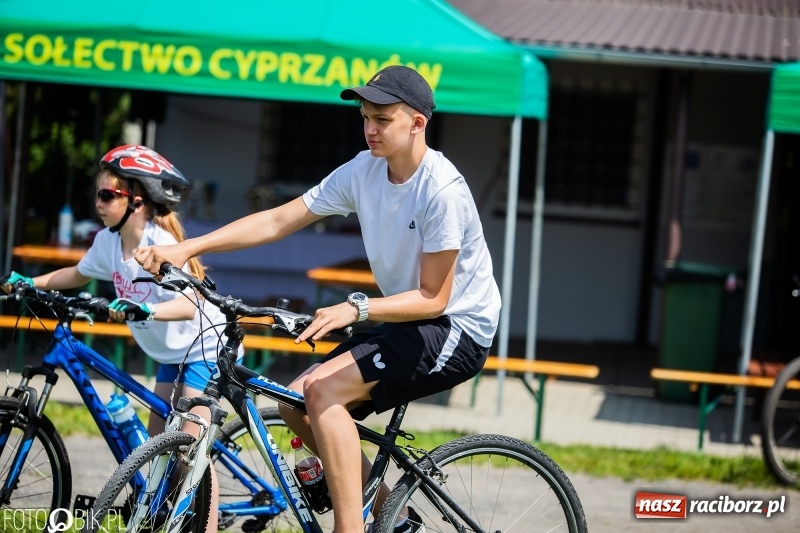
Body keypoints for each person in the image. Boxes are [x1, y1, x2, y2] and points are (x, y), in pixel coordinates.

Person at [134, 65, 501, 533]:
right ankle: (394, 516)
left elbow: (433, 299)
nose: (370, 128)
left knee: (322, 390)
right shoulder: (363, 170)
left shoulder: (442, 190)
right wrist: (188, 247)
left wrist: (357, 307)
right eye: (365, 116)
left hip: (456, 327)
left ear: (417, 123)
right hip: (409, 320)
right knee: (294, 401)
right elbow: (278, 220)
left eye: (382, 119)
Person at [2, 144, 238, 531]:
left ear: (138, 202)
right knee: (156, 445)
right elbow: (77, 274)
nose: (99, 202)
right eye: (98, 194)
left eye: (108, 195)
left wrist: (146, 309)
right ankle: (163, 518)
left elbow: (189, 306)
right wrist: (30, 282)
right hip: (169, 353)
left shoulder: (158, 243)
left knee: (187, 452)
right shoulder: (108, 242)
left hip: (204, 347)